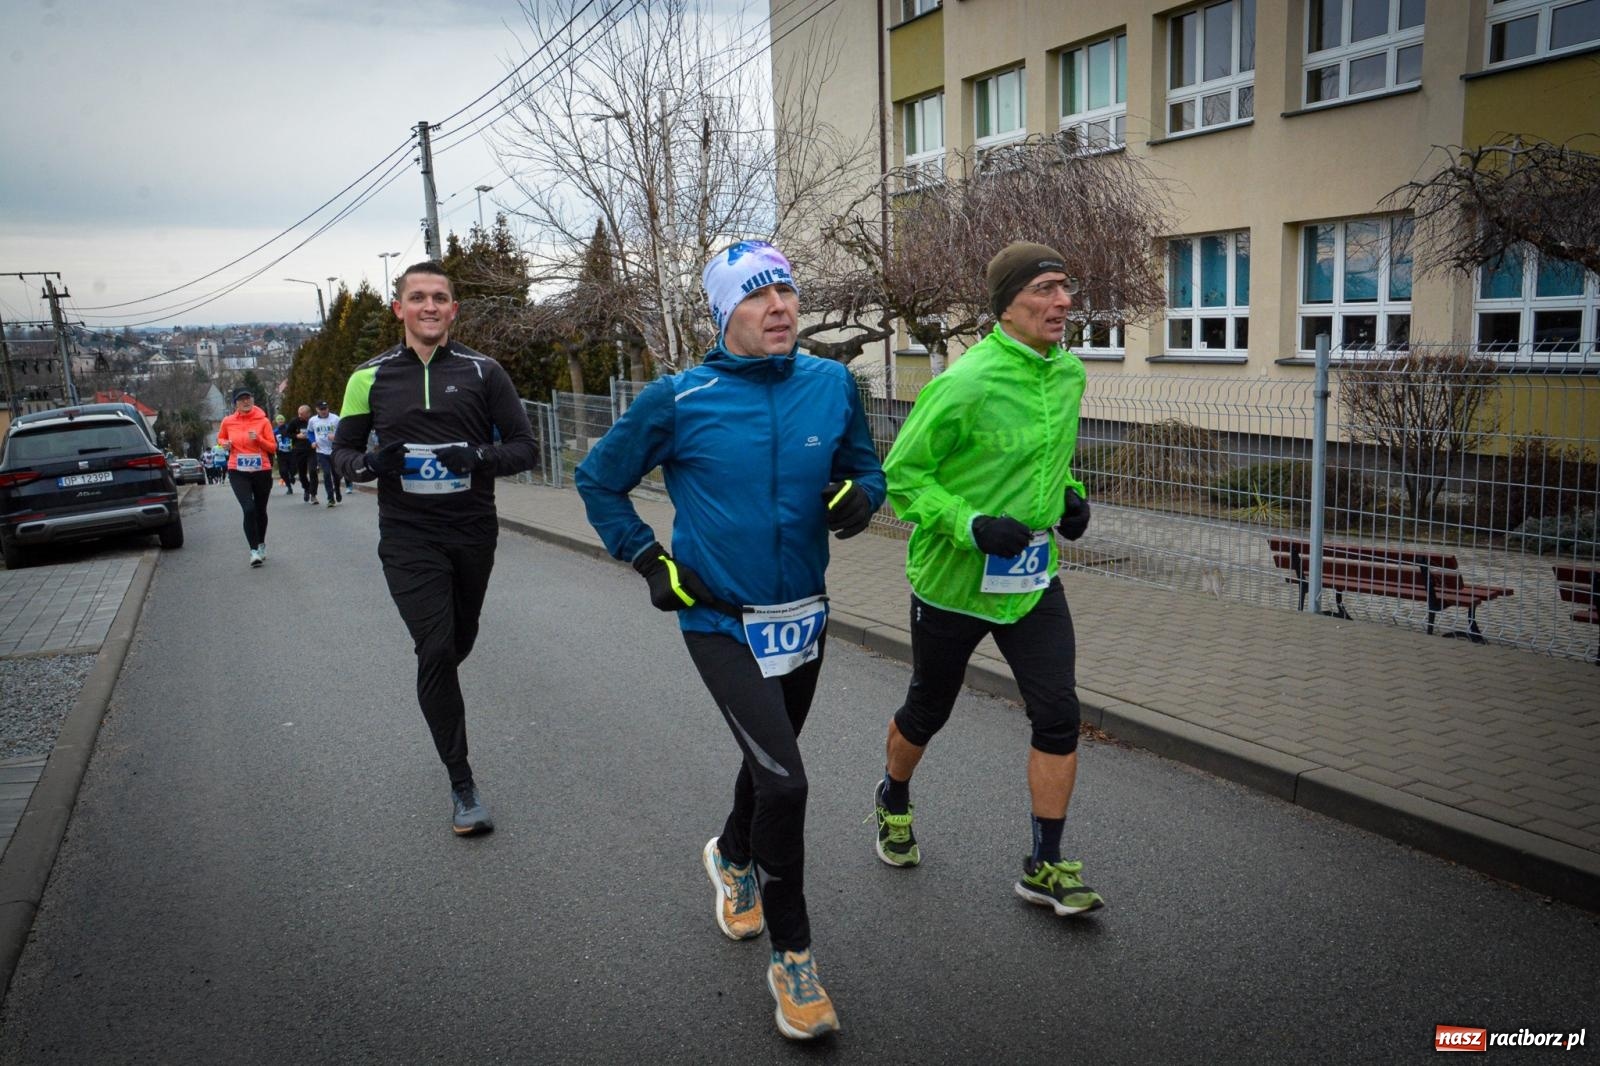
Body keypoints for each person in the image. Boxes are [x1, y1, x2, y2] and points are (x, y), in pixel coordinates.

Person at [576, 241, 884, 1042]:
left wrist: (862, 497)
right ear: (723, 314)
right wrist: (649, 561)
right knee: (786, 784)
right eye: (758, 295)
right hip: (719, 619)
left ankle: (732, 858)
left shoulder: (832, 383)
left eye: (786, 289)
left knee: (768, 761)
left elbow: (866, 468)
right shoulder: (680, 399)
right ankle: (795, 962)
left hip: (803, 616)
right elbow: (597, 480)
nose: (781, 305)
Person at [870, 241, 1103, 918]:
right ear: (1007, 304)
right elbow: (905, 476)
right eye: (1046, 290)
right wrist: (971, 525)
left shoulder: (1068, 375)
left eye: (1066, 288)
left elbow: (1049, 460)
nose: (1063, 302)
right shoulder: (965, 382)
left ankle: (1046, 865)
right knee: (928, 710)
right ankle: (892, 797)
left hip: (1031, 581)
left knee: (1058, 712)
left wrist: (1071, 497)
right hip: (952, 582)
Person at [330, 261, 537, 837]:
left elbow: (525, 448)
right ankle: (462, 784)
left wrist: (478, 458)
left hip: (473, 532)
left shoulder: (483, 371)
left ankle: (436, 673)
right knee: (437, 647)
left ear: (453, 311)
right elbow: (341, 457)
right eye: (416, 297)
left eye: (439, 298)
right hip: (407, 535)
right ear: (398, 308)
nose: (428, 306)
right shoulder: (366, 378)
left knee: (457, 641)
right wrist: (371, 463)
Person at [216, 386, 278, 567]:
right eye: (241, 399)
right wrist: (224, 444)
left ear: (252, 400)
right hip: (238, 470)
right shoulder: (228, 421)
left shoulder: (263, 421)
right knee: (248, 508)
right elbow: (220, 439)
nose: (245, 402)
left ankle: (261, 543)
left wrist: (258, 439)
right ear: (235, 403)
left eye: (248, 398)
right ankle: (253, 552)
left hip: (261, 470)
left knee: (260, 510)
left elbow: (272, 447)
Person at [307, 400, 342, 507]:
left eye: (325, 409)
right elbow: (310, 432)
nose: (324, 411)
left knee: (336, 474)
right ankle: (330, 498)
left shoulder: (336, 419)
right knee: (326, 473)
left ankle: (337, 489)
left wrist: (336, 437)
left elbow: (344, 431)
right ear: (317, 409)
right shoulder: (313, 420)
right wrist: (312, 441)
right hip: (321, 451)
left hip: (334, 450)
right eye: (321, 409)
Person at [283, 404, 317, 502]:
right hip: (299, 450)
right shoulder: (295, 421)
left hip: (312, 449)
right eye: (299, 414)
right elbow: (287, 433)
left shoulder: (313, 421)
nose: (299, 415)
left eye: (302, 414)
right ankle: (306, 488)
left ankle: (313, 494)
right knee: (302, 474)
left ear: (308, 413)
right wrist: (297, 436)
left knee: (313, 471)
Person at [274, 414, 296, 494]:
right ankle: (289, 487)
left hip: (291, 452)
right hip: (281, 454)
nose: (280, 421)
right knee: (283, 471)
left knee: (293, 468)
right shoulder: (275, 431)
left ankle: (292, 476)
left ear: (284, 420)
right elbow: (272, 442)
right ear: (277, 422)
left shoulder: (289, 428)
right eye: (279, 420)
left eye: (281, 419)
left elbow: (294, 436)